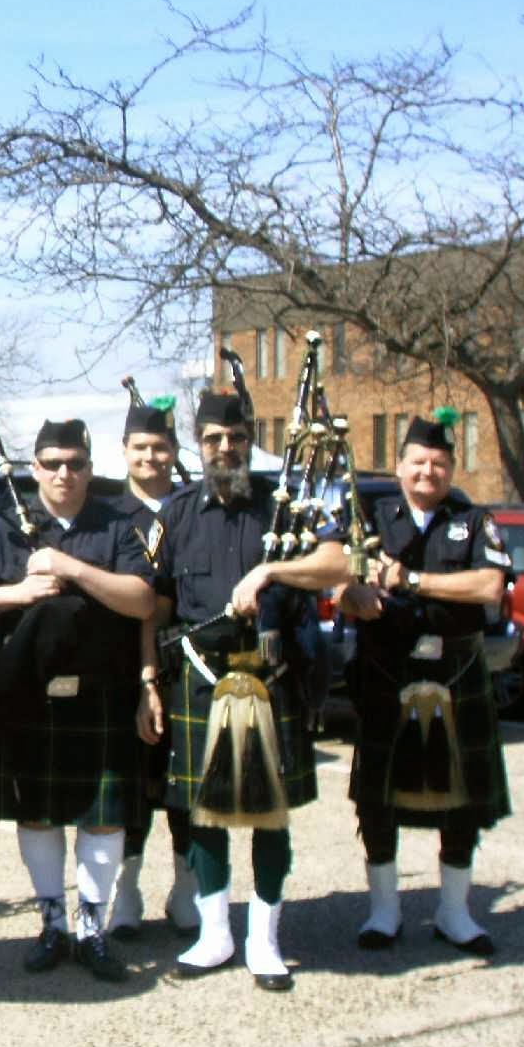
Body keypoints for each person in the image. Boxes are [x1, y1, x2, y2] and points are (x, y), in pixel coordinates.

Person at [142, 391, 346, 991]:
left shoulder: (286, 508)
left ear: (250, 438)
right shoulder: (175, 514)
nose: (224, 448)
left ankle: (264, 940)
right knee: (201, 816)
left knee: (269, 817)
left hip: (268, 678)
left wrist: (271, 571)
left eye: (234, 437)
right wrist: (147, 681)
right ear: (198, 444)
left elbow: (337, 564)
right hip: (199, 681)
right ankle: (214, 934)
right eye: (212, 439)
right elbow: (153, 608)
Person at [0, 419, 155, 982]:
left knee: (103, 823)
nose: (65, 473)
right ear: (34, 468)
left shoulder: (119, 527)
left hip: (102, 696)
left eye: (76, 463)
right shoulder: (2, 528)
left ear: (91, 467)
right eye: (52, 463)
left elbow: (141, 600)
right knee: (38, 817)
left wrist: (69, 568)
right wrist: (15, 593)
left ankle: (92, 928)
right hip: (30, 698)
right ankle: (52, 922)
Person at [339, 411, 511, 955]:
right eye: (418, 462)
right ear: (399, 466)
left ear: (451, 467)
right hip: (387, 675)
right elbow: (340, 579)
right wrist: (354, 595)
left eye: (439, 463)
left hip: (456, 675)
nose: (428, 472)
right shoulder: (367, 515)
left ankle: (454, 912)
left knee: (462, 801)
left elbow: (488, 585)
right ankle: (384, 912)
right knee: (378, 799)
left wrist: (412, 579)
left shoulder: (473, 517)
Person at [107, 397, 199, 938]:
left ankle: (186, 889)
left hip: (186, 662)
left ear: (174, 451)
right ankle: (127, 891)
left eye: (160, 447)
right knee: (132, 786)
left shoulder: (192, 508)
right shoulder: (110, 514)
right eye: (140, 447)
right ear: (124, 452)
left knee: (184, 784)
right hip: (124, 665)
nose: (151, 457)